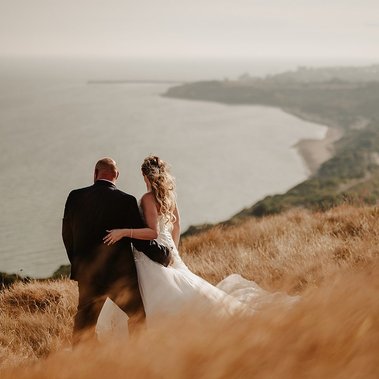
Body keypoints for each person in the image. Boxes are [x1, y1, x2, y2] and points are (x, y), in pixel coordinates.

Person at [104, 156, 298, 323]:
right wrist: (174, 250)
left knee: (162, 292)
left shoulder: (147, 198)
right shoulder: (169, 196)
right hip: (169, 248)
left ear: (145, 176)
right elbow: (177, 225)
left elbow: (152, 233)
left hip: (152, 252)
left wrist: (123, 232)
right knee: (183, 287)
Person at [62, 157, 171, 344]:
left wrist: (79, 265)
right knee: (137, 318)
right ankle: (136, 359)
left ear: (95, 174)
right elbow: (139, 242)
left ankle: (81, 365)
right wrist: (162, 254)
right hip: (119, 277)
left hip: (88, 274)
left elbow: (67, 236)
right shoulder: (126, 201)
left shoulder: (75, 196)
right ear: (117, 175)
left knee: (84, 325)